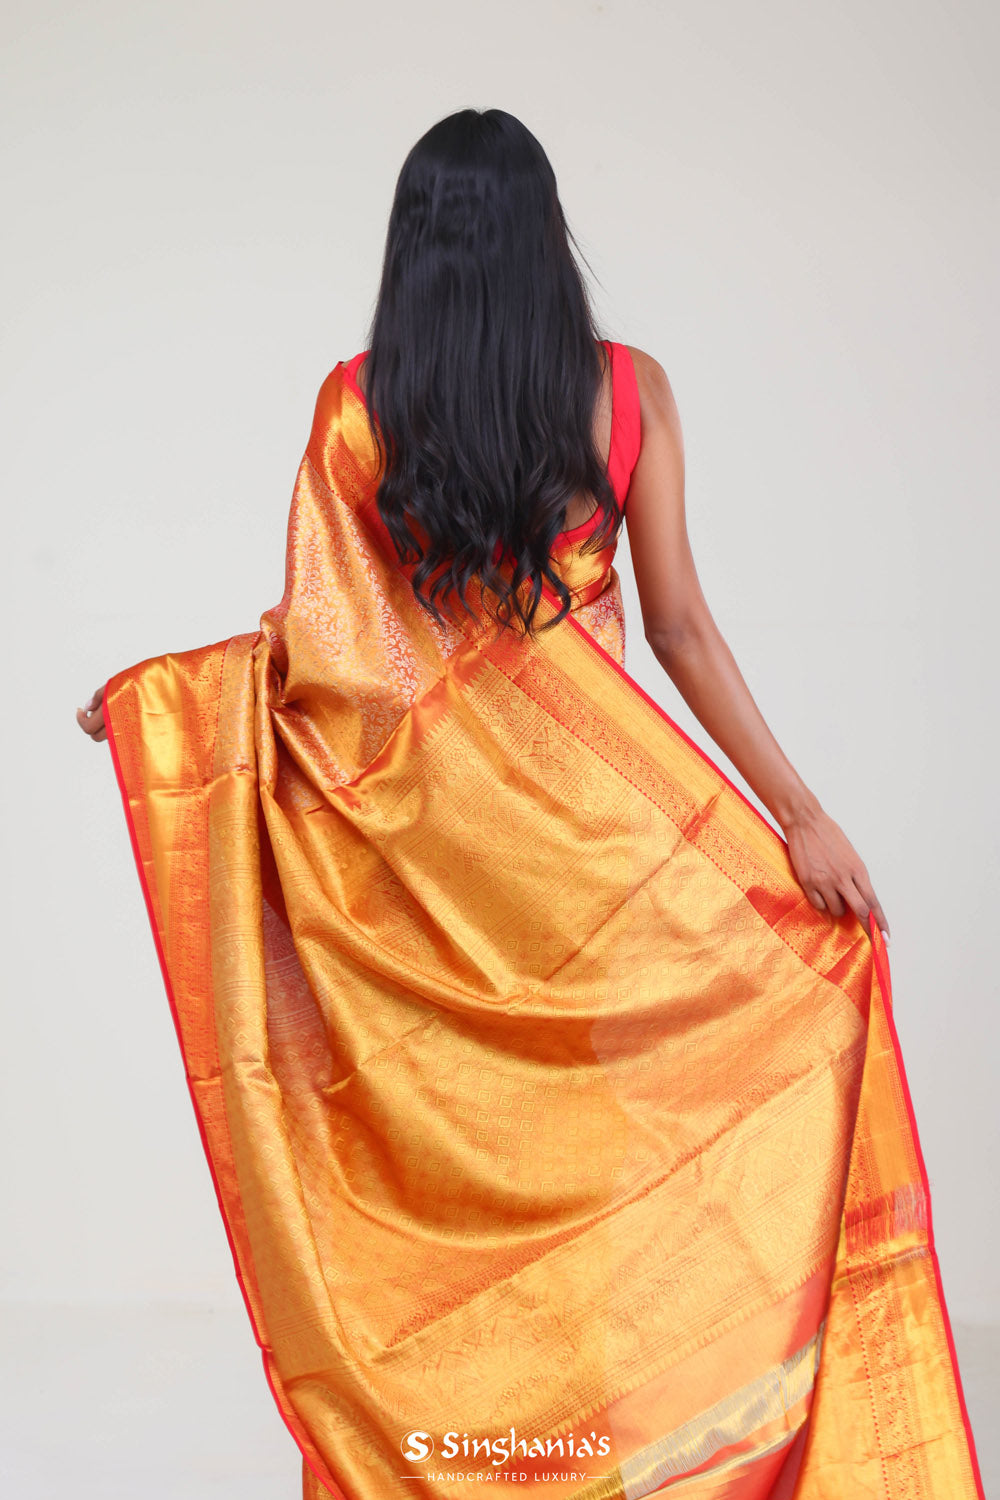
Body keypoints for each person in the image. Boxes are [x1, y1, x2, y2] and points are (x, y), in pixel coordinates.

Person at [77, 109, 983, 1500]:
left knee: (441, 1201)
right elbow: (681, 629)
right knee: (604, 1198)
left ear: (414, 247)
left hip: (424, 887)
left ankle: (462, 1470)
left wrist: (166, 703)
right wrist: (800, 813)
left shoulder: (358, 409)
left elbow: (322, 659)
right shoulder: (628, 393)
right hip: (597, 881)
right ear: (546, 237)